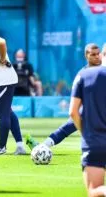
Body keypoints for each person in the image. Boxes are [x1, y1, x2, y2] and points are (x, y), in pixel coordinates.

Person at [26, 43, 102, 150]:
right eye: (93, 54)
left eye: (98, 54)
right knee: (69, 126)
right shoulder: (82, 74)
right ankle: (43, 146)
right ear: (86, 56)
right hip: (89, 109)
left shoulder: (103, 70)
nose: (97, 56)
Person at [69, 44, 106, 197]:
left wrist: (85, 132)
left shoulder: (84, 76)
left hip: (94, 142)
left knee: (94, 190)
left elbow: (73, 112)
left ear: (103, 54)